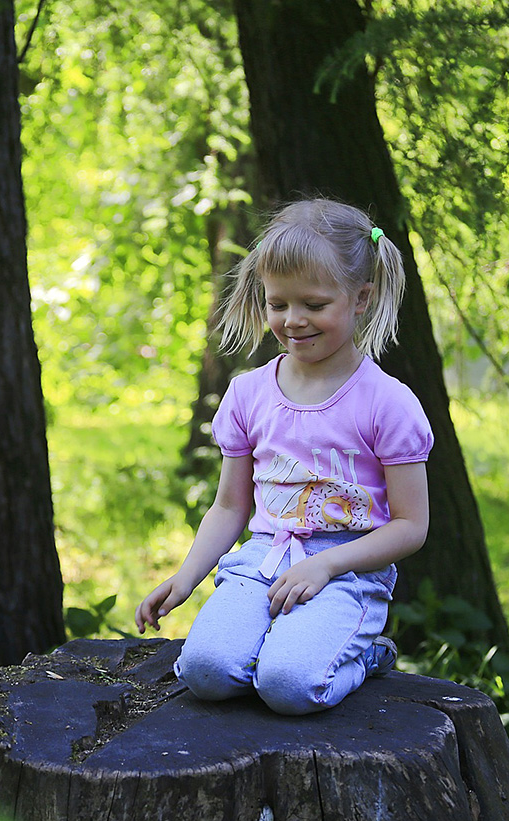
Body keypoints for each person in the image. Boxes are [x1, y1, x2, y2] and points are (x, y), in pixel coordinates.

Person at [135, 198, 432, 715]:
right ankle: (276, 646)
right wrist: (186, 578)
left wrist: (328, 564)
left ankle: (361, 657)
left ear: (361, 298)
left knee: (289, 686)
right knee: (203, 671)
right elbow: (230, 508)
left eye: (314, 305)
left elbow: (411, 526)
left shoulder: (388, 403)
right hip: (264, 558)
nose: (293, 321)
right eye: (278, 305)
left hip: (347, 571)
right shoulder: (249, 394)